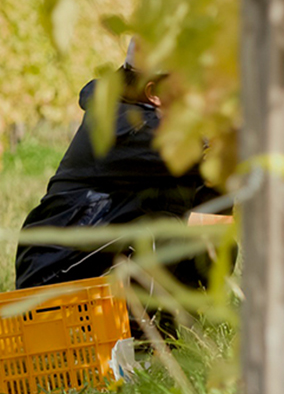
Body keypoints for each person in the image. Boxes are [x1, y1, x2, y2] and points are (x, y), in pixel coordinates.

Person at [15, 39, 226, 296]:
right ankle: (141, 332)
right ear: (154, 93)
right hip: (55, 275)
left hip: (96, 262)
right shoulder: (123, 126)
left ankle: (168, 326)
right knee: (165, 230)